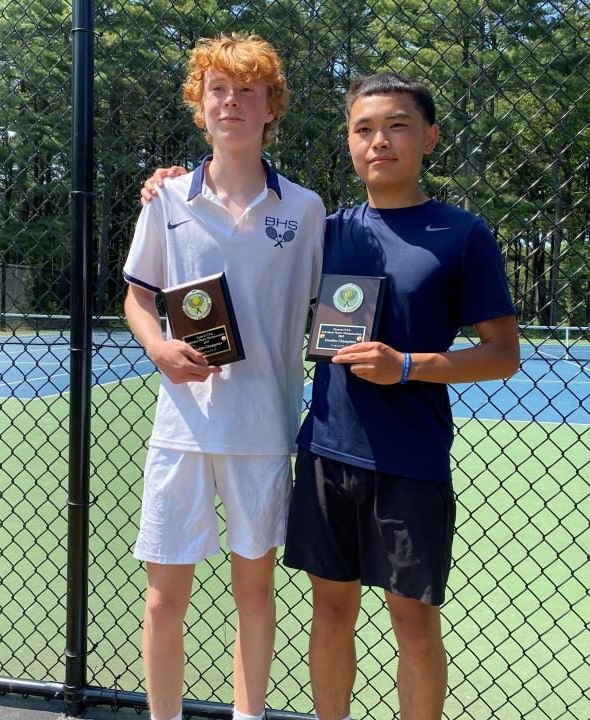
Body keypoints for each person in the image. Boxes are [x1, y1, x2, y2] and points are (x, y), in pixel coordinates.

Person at [142, 73, 520, 720]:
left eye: (397, 125)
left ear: (428, 137)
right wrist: (173, 184)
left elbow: (502, 355)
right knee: (330, 612)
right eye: (364, 129)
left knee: (413, 624)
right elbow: (250, 233)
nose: (380, 141)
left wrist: (407, 365)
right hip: (325, 453)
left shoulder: (464, 235)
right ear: (349, 142)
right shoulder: (329, 225)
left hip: (411, 461)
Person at [122, 34, 325, 720]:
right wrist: (157, 348)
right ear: (198, 105)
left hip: (263, 428)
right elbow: (137, 296)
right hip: (180, 429)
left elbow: (336, 306)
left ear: (273, 107)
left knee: (254, 595)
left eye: (247, 90)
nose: (231, 102)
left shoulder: (306, 210)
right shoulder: (167, 199)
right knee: (162, 600)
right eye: (217, 89)